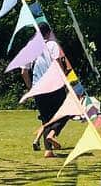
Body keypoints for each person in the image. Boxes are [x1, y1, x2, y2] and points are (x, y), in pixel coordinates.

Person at [24, 23, 71, 157]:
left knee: (46, 119)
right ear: (49, 33)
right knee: (65, 112)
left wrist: (30, 88)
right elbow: (58, 63)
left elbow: (23, 71)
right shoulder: (52, 45)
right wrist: (64, 81)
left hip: (38, 88)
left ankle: (48, 150)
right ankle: (52, 133)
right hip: (54, 85)